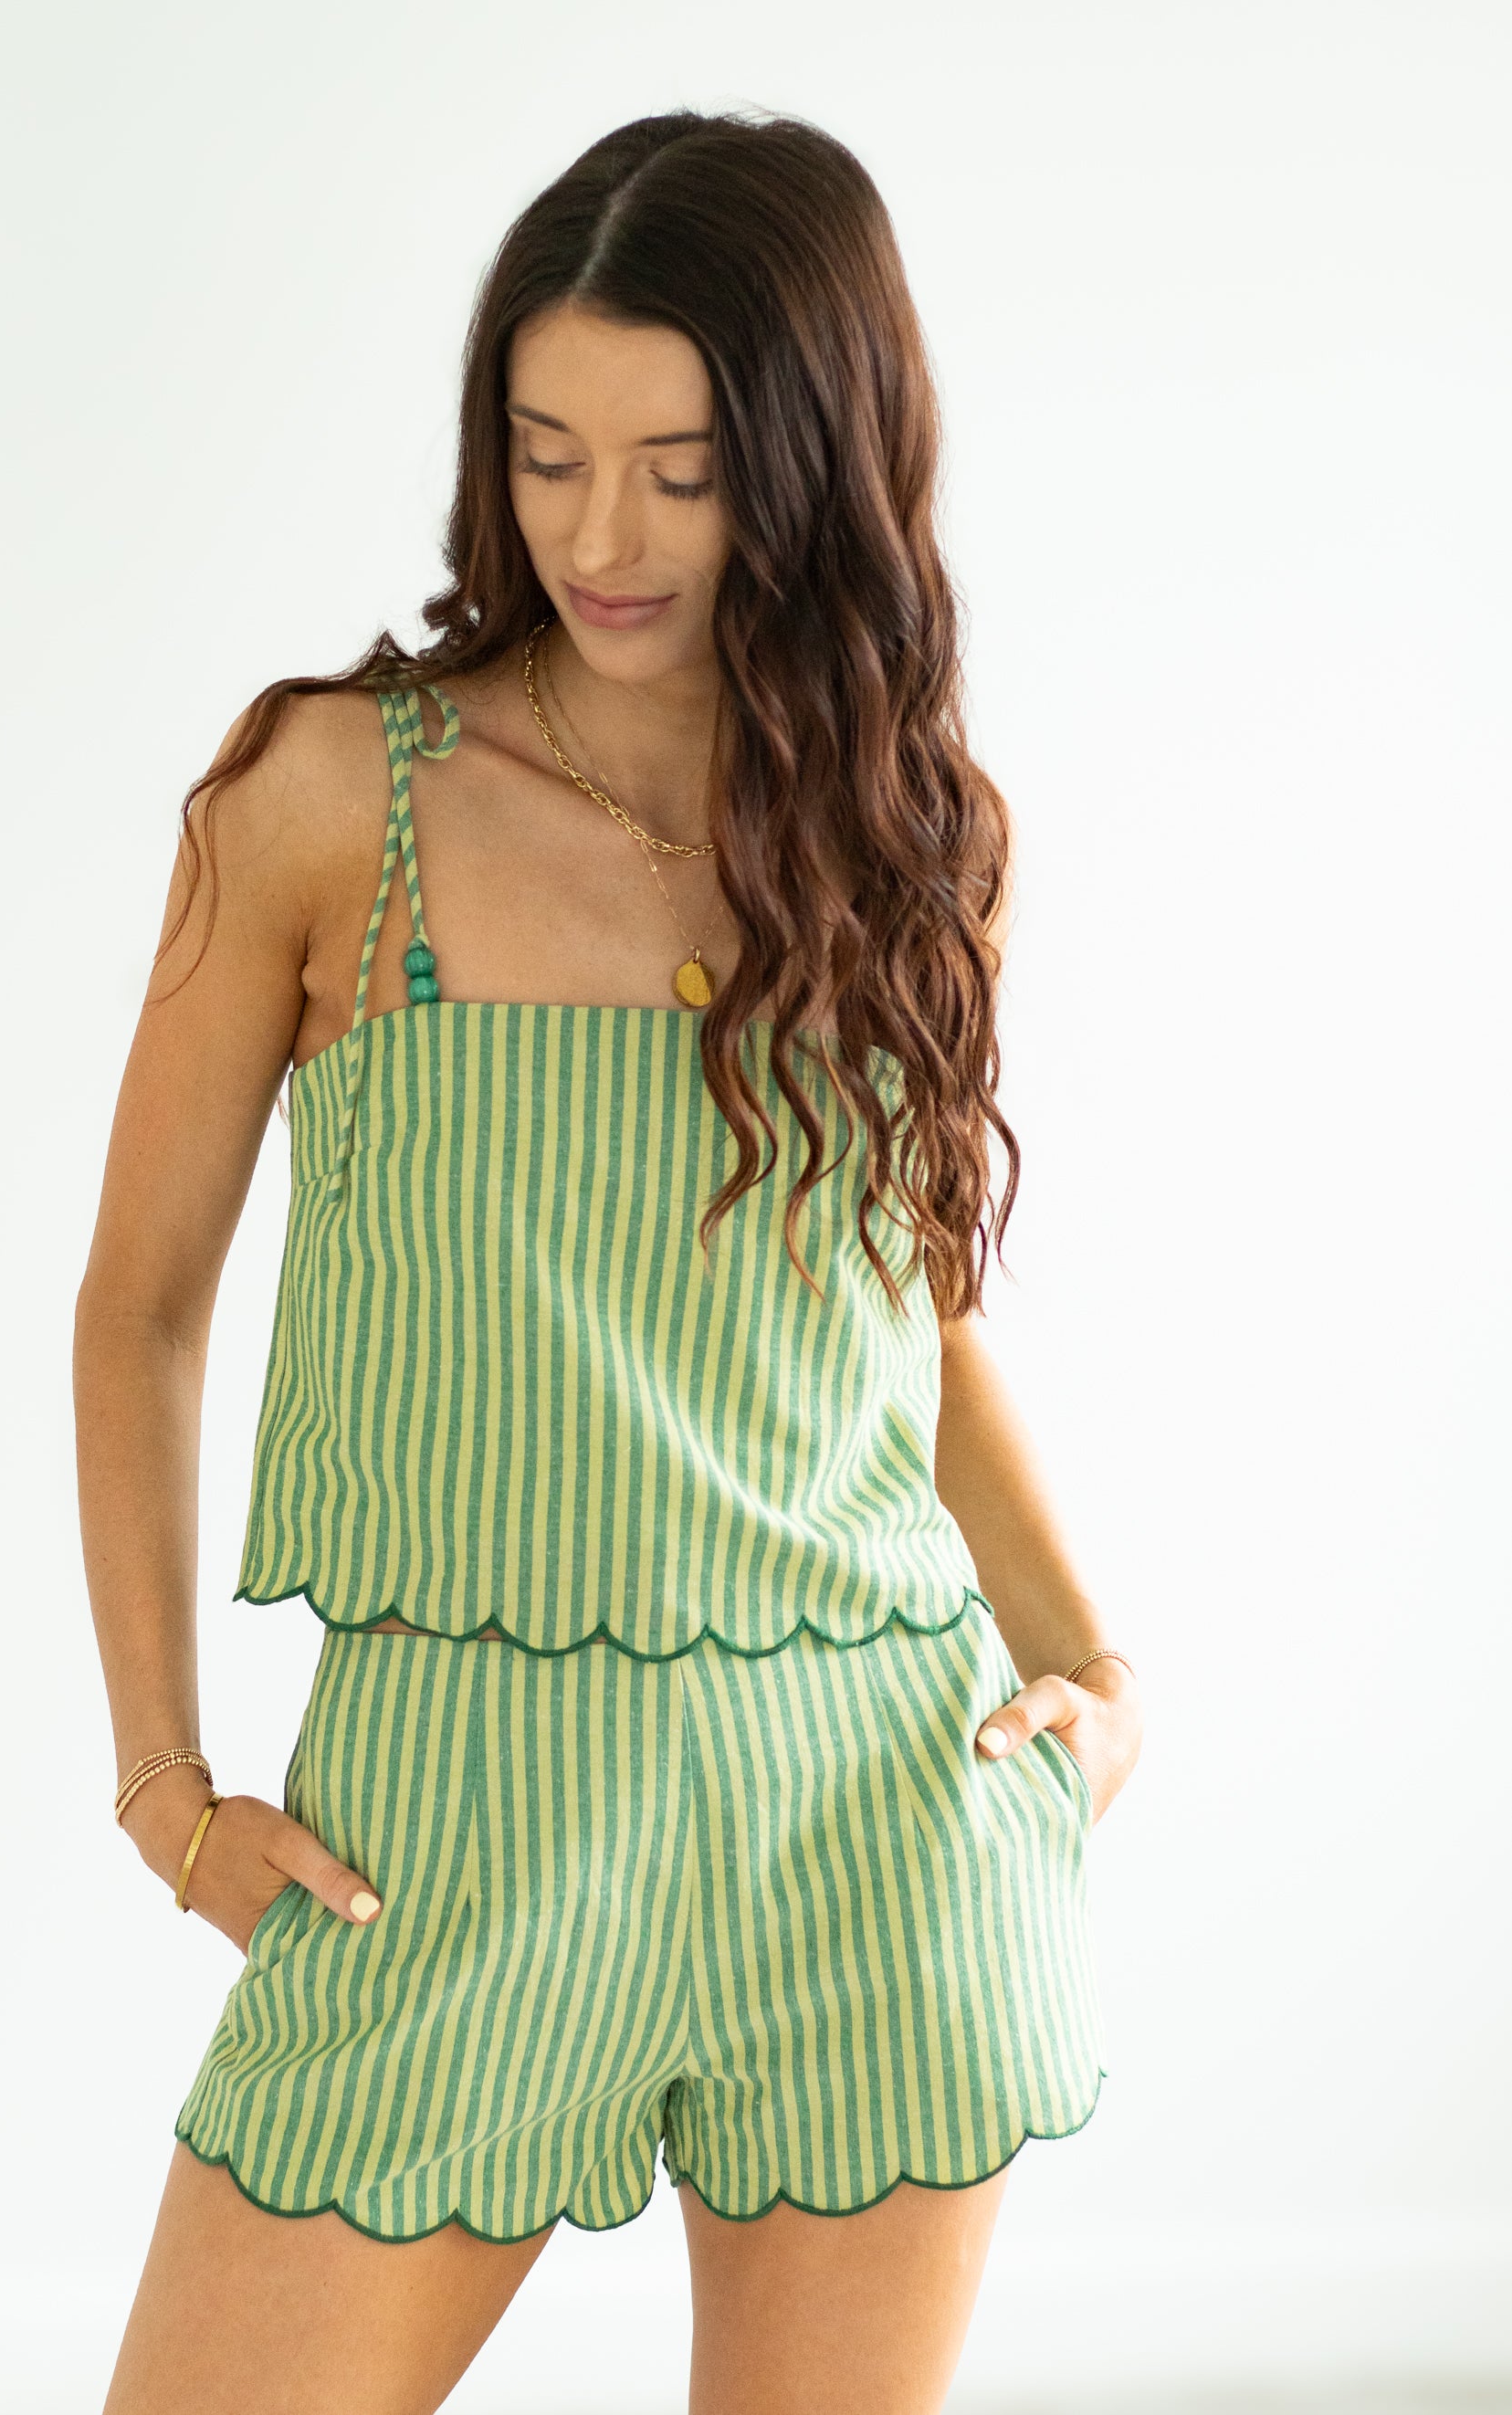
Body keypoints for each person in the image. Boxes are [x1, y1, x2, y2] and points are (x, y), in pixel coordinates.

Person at [75, 105, 1144, 2415]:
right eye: (546, 453)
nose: (601, 531)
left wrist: (1096, 1686)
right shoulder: (315, 801)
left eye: (679, 462)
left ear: (818, 456)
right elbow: (140, 1305)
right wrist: (167, 1792)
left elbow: (904, 1329)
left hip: (871, 1828)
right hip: (445, 1836)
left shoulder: (915, 837)